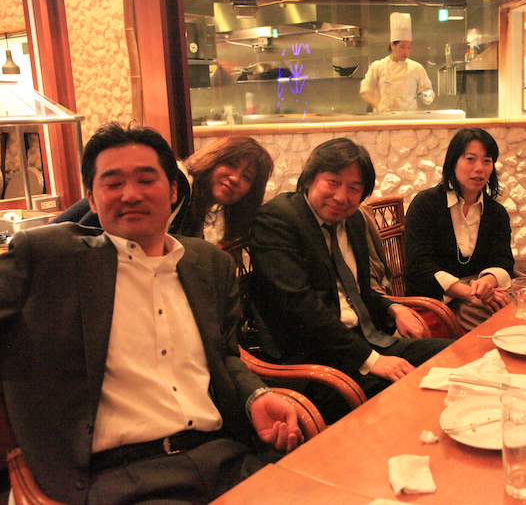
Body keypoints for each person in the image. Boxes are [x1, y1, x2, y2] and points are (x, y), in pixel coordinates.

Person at [0, 122, 302, 505]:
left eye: (146, 180)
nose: (131, 194)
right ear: (91, 199)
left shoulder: (209, 264)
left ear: (173, 190)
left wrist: (255, 396)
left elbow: (225, 355)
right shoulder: (49, 257)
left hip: (224, 457)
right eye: (113, 183)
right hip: (122, 477)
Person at [249, 138, 452, 423]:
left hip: (365, 342)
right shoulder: (278, 219)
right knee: (410, 393)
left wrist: (393, 308)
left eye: (354, 188)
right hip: (315, 362)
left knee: (452, 356)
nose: (341, 197)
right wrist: (372, 360)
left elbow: (357, 292)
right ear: (310, 179)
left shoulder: (353, 221)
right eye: (333, 182)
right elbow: (300, 307)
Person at [51, 135, 273, 245]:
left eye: (247, 177)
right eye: (231, 164)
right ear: (214, 159)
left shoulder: (192, 202)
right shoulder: (178, 181)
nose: (234, 178)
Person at [405, 128, 515, 331]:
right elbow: (418, 265)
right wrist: (468, 293)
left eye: (487, 160)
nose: (479, 168)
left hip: (479, 300)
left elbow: (503, 260)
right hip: (433, 303)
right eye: (470, 159)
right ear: (453, 162)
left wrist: (487, 283)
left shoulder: (496, 213)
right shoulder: (425, 204)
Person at [359, 12, 435, 113]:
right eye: (402, 47)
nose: (406, 51)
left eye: (409, 47)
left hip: (409, 118)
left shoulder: (416, 68)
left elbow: (427, 90)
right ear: (392, 45)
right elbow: (365, 92)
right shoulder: (377, 66)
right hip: (384, 118)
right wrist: (378, 106)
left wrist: (427, 95)